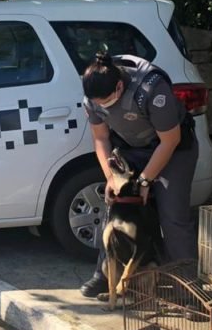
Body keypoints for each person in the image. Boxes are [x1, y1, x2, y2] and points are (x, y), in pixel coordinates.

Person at [78, 51, 199, 301]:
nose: (102, 106)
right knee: (113, 206)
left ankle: (188, 289)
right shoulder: (93, 99)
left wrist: (145, 181)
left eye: (107, 100)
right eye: (97, 103)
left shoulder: (151, 89)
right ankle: (104, 275)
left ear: (120, 86)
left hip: (173, 149)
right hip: (133, 149)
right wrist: (110, 177)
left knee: (173, 217)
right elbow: (100, 137)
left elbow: (170, 140)